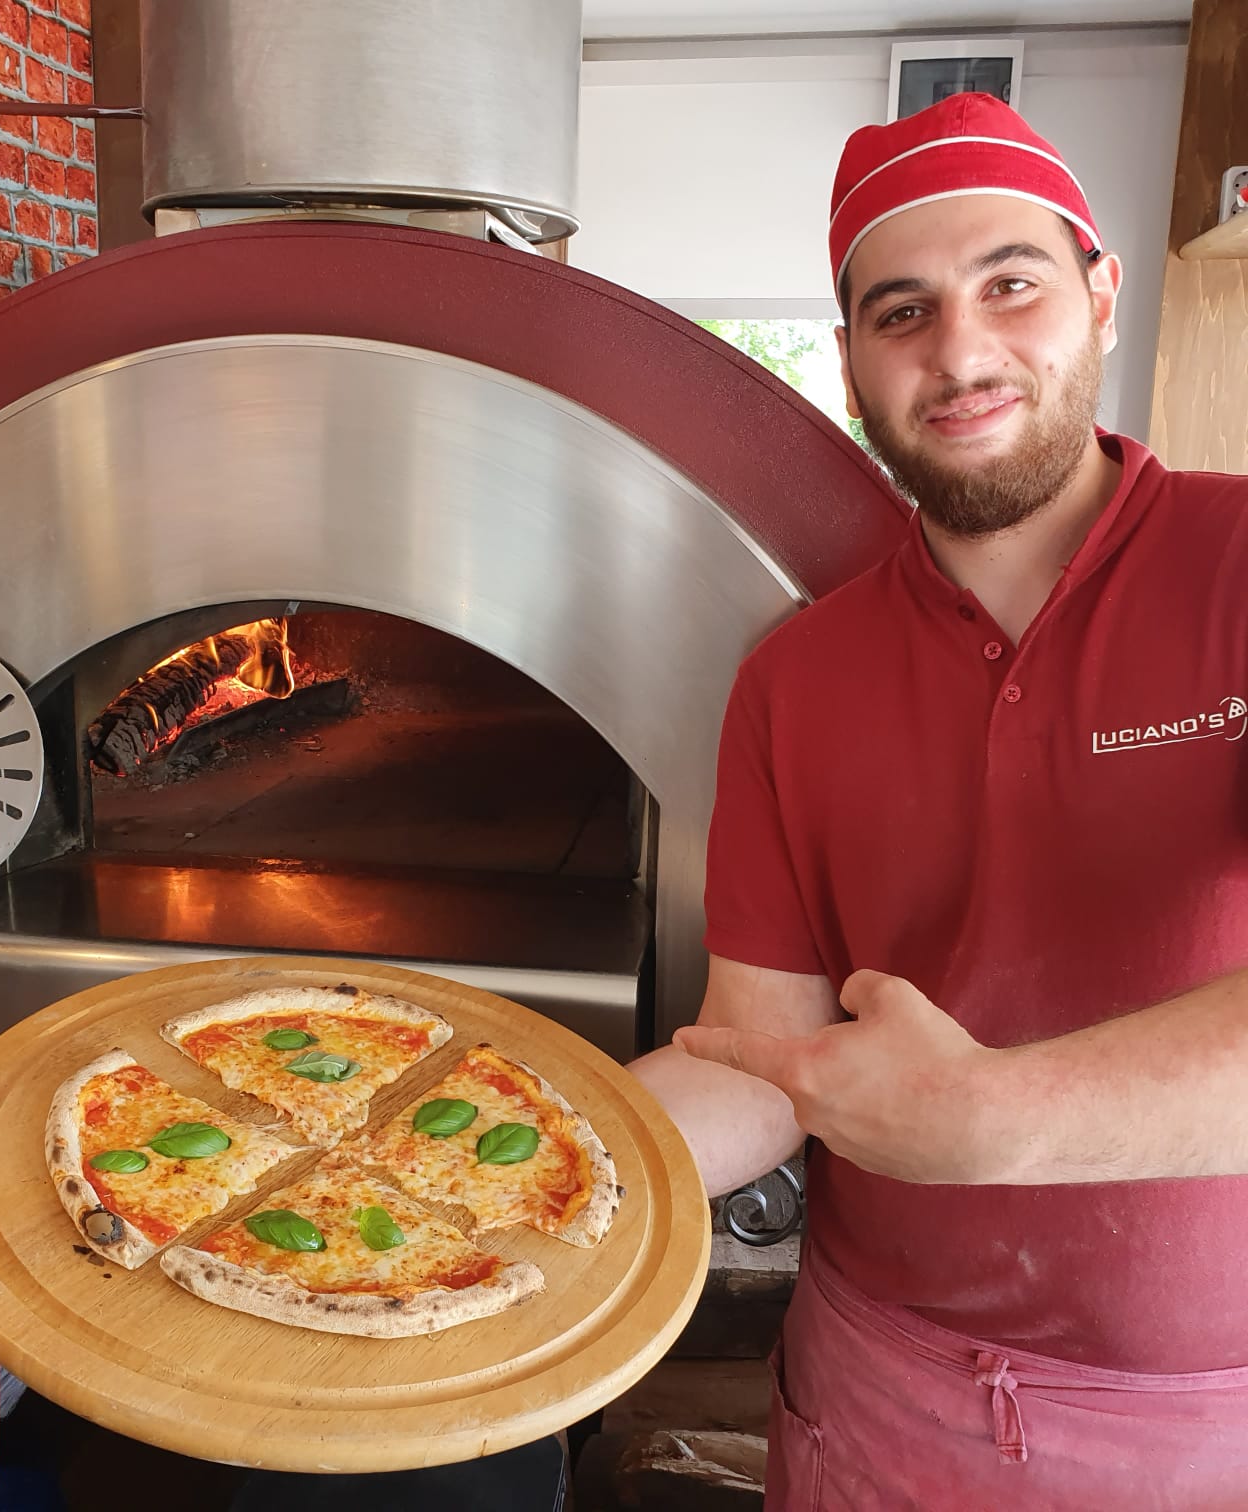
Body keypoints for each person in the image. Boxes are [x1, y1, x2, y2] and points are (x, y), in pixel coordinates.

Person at [630, 91, 1248, 1509]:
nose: (960, 353)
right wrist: (516, 1152)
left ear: (1102, 295)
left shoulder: (1239, 565)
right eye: (901, 313)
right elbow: (765, 1059)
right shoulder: (793, 680)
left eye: (1009, 284)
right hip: (877, 1393)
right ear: (851, 362)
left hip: (1210, 1421)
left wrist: (1003, 1118)